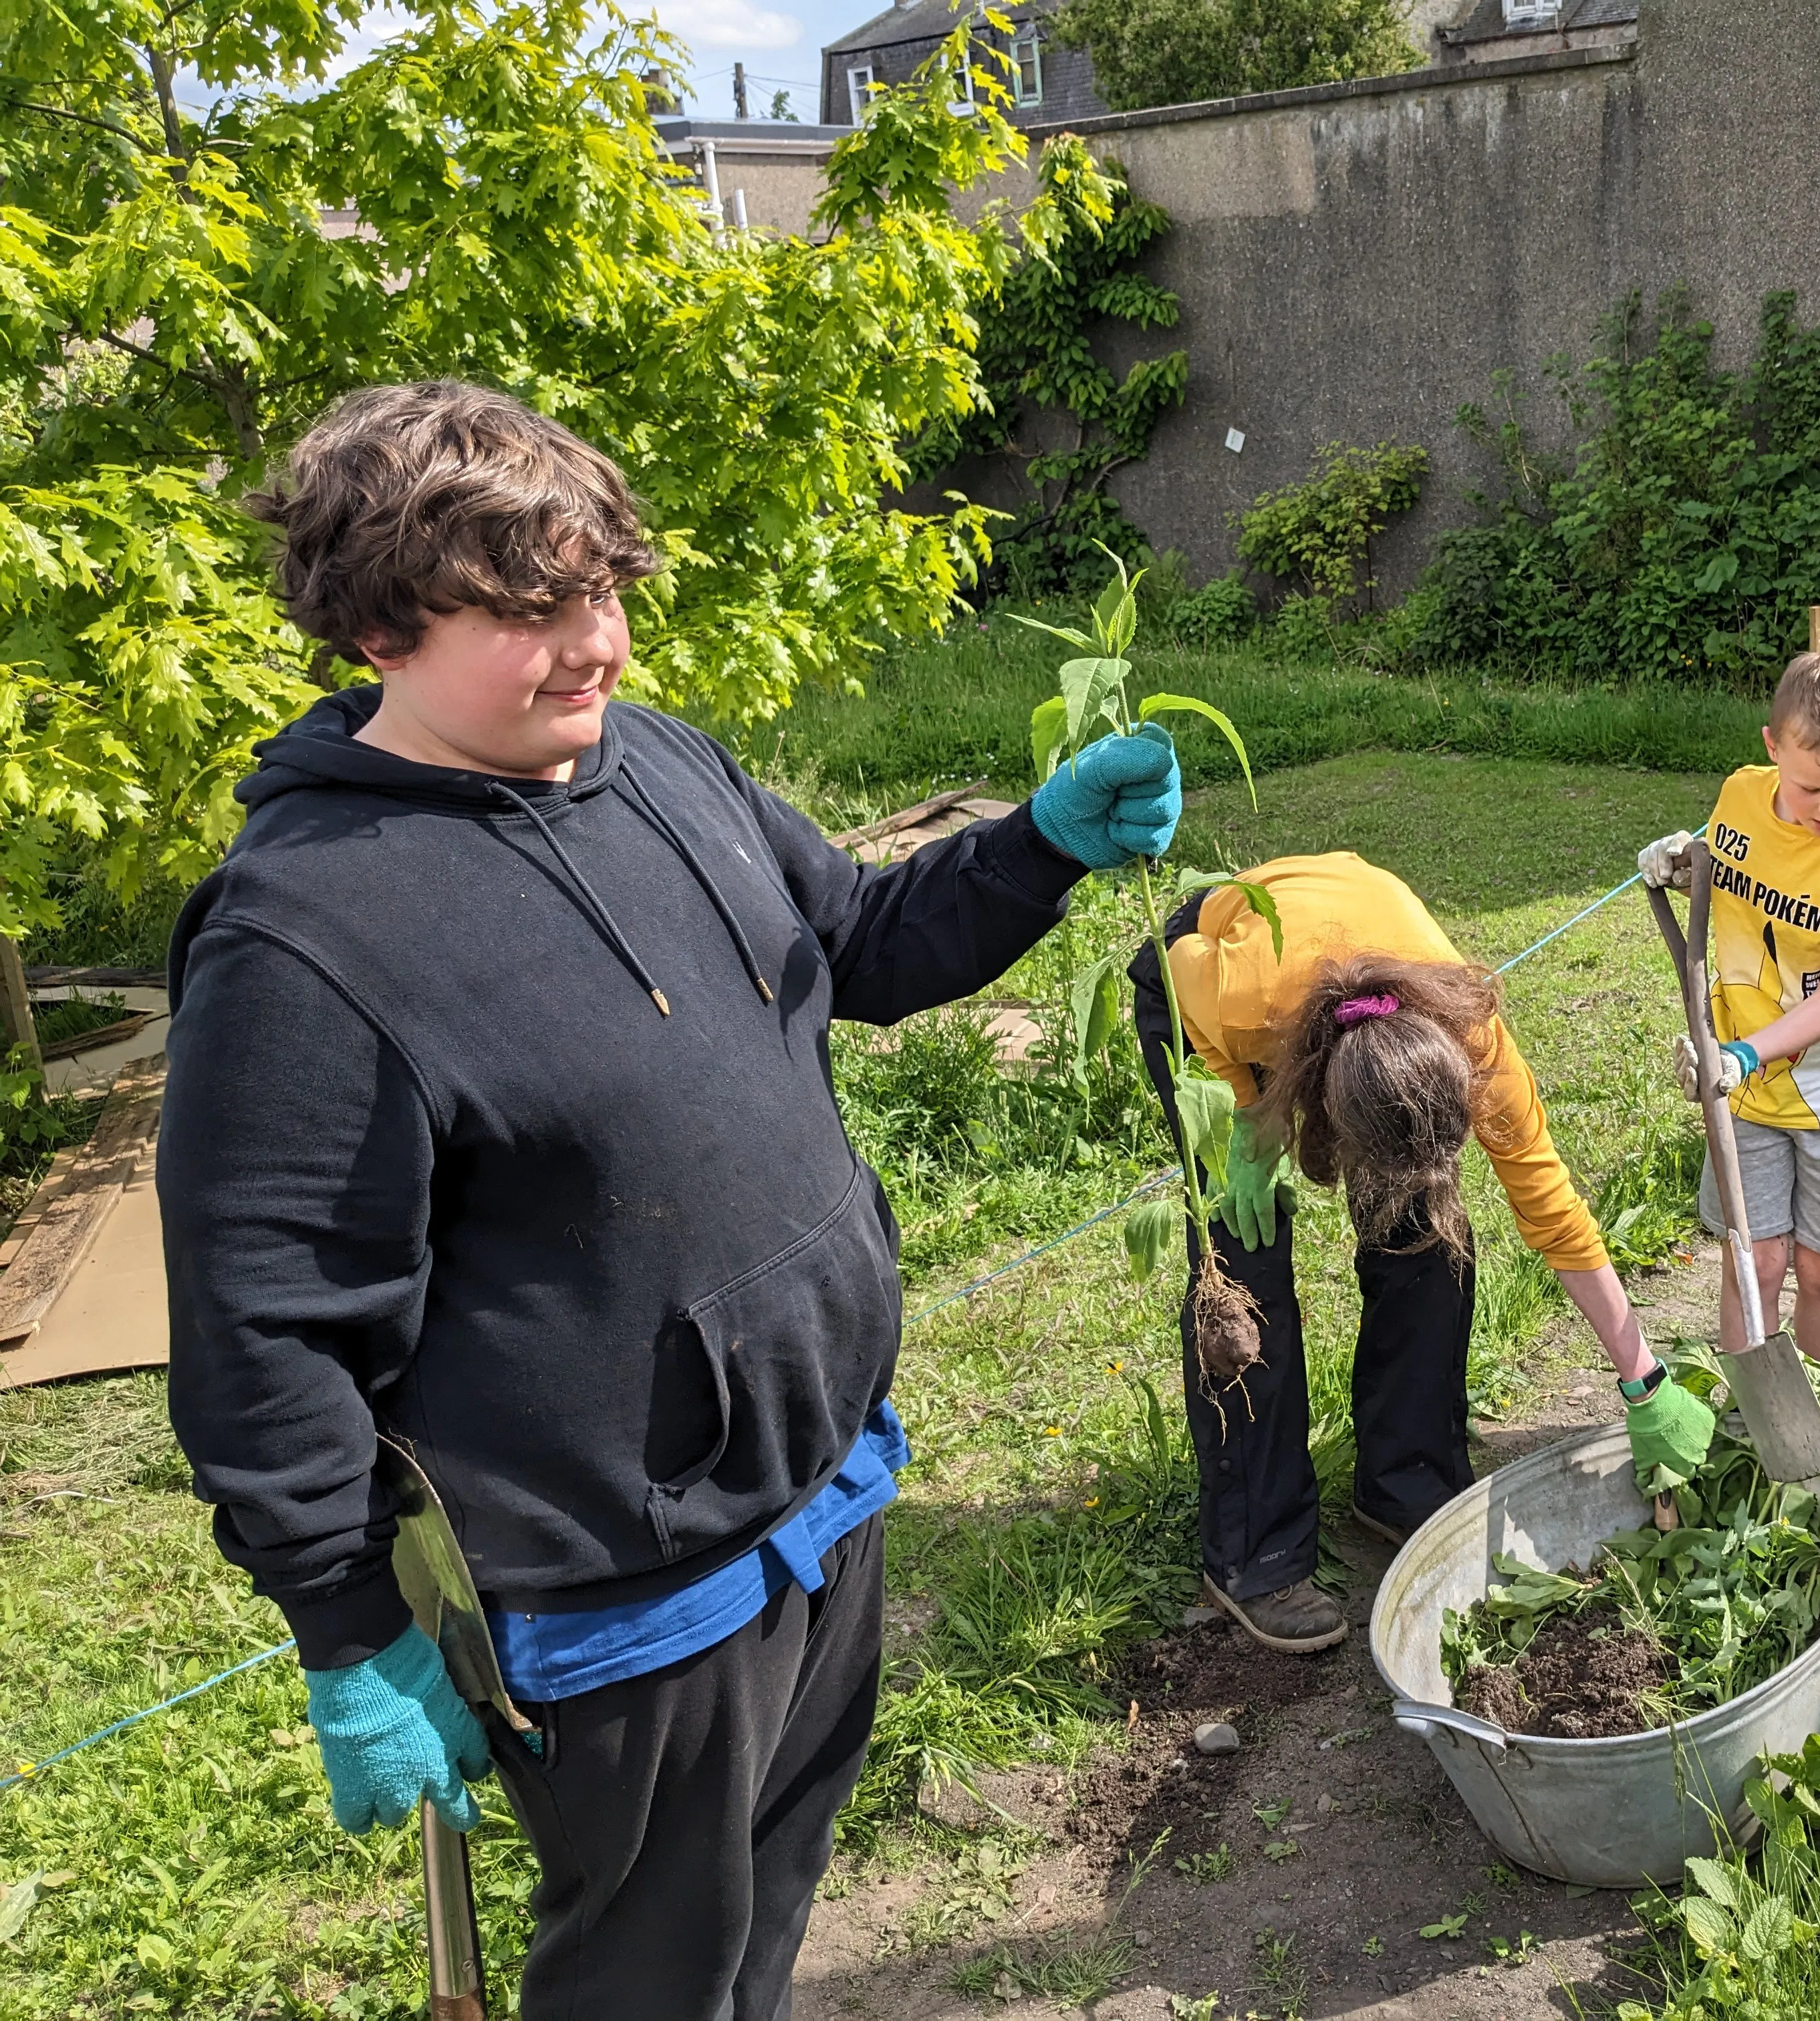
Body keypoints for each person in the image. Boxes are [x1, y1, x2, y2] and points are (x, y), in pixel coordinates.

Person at [158, 381, 1182, 2018]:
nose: (594, 646)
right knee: (652, 1977)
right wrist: (347, 1629)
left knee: (765, 1916)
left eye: (604, 592)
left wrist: (1031, 847)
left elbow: (854, 945)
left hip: (820, 1503)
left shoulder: (656, 767)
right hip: (624, 1604)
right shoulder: (304, 941)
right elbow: (261, 1335)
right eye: (526, 610)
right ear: (378, 627)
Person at [1125, 853, 1716, 1654]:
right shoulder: (1235, 996)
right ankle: (1254, 1557)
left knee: (1430, 1228)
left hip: (1365, 975)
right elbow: (1172, 966)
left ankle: (1405, 1481)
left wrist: (1643, 1378)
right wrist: (1240, 1107)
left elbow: (1553, 1210)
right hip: (1214, 973)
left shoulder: (1476, 1046)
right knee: (1241, 1275)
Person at [1636, 648, 1820, 1376]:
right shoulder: (1740, 794)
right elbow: (1729, 868)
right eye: (1810, 790)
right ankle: (1751, 1416)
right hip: (1743, 1086)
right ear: (1773, 748)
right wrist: (1684, 863)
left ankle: (1815, 1411)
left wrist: (1743, 1055)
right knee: (1753, 1259)